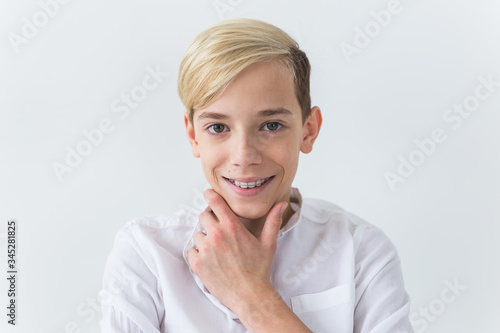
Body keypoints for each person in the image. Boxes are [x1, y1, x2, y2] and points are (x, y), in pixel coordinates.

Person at [100, 18, 413, 333]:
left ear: (308, 130)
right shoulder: (146, 254)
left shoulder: (361, 252)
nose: (244, 156)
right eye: (218, 127)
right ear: (193, 136)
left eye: (271, 125)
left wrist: (251, 296)